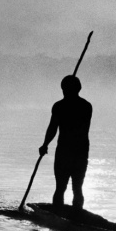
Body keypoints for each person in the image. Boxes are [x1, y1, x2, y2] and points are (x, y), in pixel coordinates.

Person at [39, 75, 93, 210]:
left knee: (65, 187)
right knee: (73, 187)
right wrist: (45, 144)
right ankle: (71, 213)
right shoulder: (84, 106)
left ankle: (72, 214)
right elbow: (53, 128)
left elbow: (53, 127)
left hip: (69, 151)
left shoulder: (62, 106)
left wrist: (45, 144)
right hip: (76, 151)